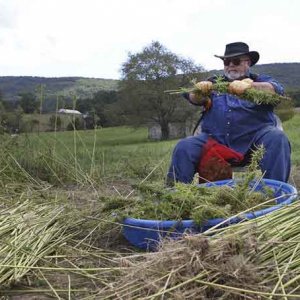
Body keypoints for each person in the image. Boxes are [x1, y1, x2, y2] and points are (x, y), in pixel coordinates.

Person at [166, 42, 291, 185]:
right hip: (214, 142)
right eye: (227, 61)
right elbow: (193, 99)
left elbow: (276, 91)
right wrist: (198, 91)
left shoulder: (261, 81)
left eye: (236, 61)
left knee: (277, 137)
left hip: (254, 144)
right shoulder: (214, 83)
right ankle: (175, 196)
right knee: (184, 147)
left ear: (248, 63)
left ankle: (276, 194)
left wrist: (251, 87)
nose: (231, 65)